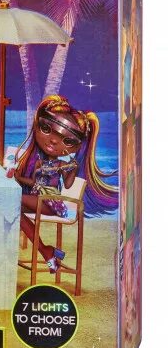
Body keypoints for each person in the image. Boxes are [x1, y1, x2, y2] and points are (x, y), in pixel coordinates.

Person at [15, 95, 118, 273]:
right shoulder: (38, 162)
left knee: (11, 201)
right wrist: (18, 177)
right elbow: (32, 182)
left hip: (51, 203)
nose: (54, 141)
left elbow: (69, 185)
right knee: (12, 209)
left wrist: (73, 169)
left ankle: (46, 252)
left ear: (77, 146)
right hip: (37, 199)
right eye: (46, 129)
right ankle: (45, 250)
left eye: (68, 141)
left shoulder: (62, 164)